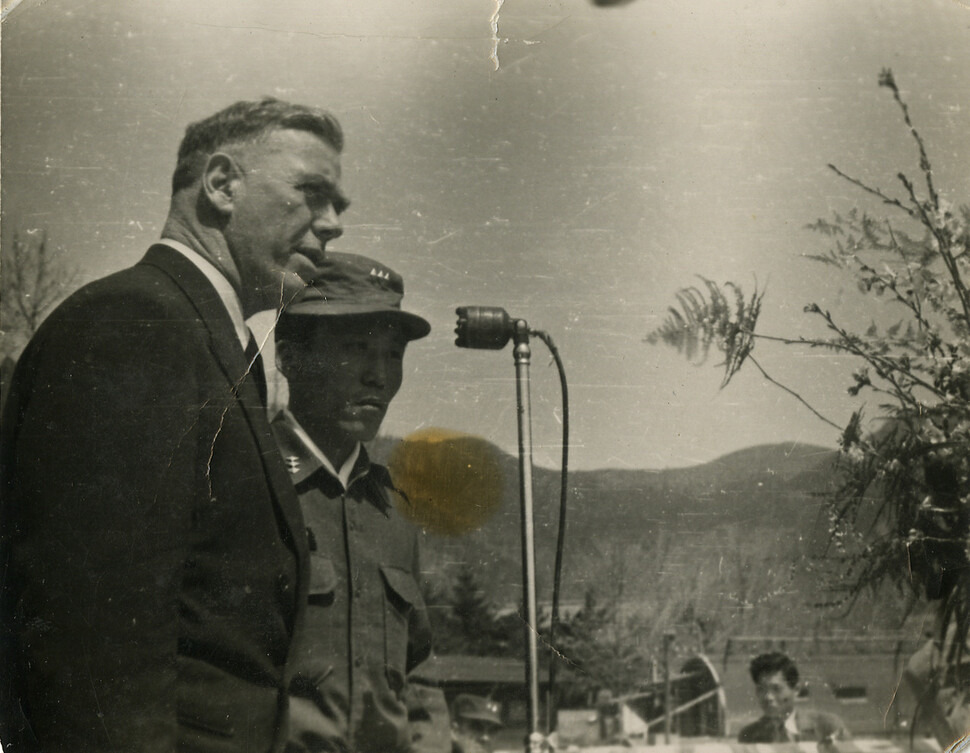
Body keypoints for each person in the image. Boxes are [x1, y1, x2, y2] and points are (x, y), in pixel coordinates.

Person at [1, 98, 348, 753]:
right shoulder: (136, 328)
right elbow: (96, 662)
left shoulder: (199, 339)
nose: (332, 224)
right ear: (220, 184)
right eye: (312, 193)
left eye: (338, 205)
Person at [271, 252, 437, 752]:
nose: (378, 376)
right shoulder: (248, 481)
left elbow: (419, 672)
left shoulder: (392, 509)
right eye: (356, 348)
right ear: (289, 358)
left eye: (393, 354)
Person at [737, 652, 851, 745]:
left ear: (796, 690)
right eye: (761, 689)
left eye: (776, 689)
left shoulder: (827, 726)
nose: (768, 697)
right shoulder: (749, 736)